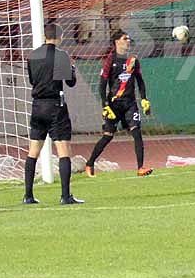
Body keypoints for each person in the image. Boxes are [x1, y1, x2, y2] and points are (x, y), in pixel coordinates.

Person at [24, 21, 81, 205]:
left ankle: (28, 195)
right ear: (60, 37)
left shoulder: (32, 55)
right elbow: (70, 82)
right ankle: (65, 196)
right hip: (55, 106)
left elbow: (32, 80)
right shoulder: (61, 55)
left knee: (33, 151)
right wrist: (72, 69)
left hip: (37, 106)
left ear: (45, 36)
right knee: (63, 150)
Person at [85, 29, 154, 177]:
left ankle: (140, 167)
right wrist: (105, 105)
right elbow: (102, 84)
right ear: (117, 42)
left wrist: (144, 99)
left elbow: (140, 81)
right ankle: (90, 163)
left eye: (128, 39)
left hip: (130, 103)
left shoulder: (133, 60)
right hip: (114, 104)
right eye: (125, 38)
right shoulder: (110, 60)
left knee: (137, 133)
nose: (128, 41)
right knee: (108, 136)